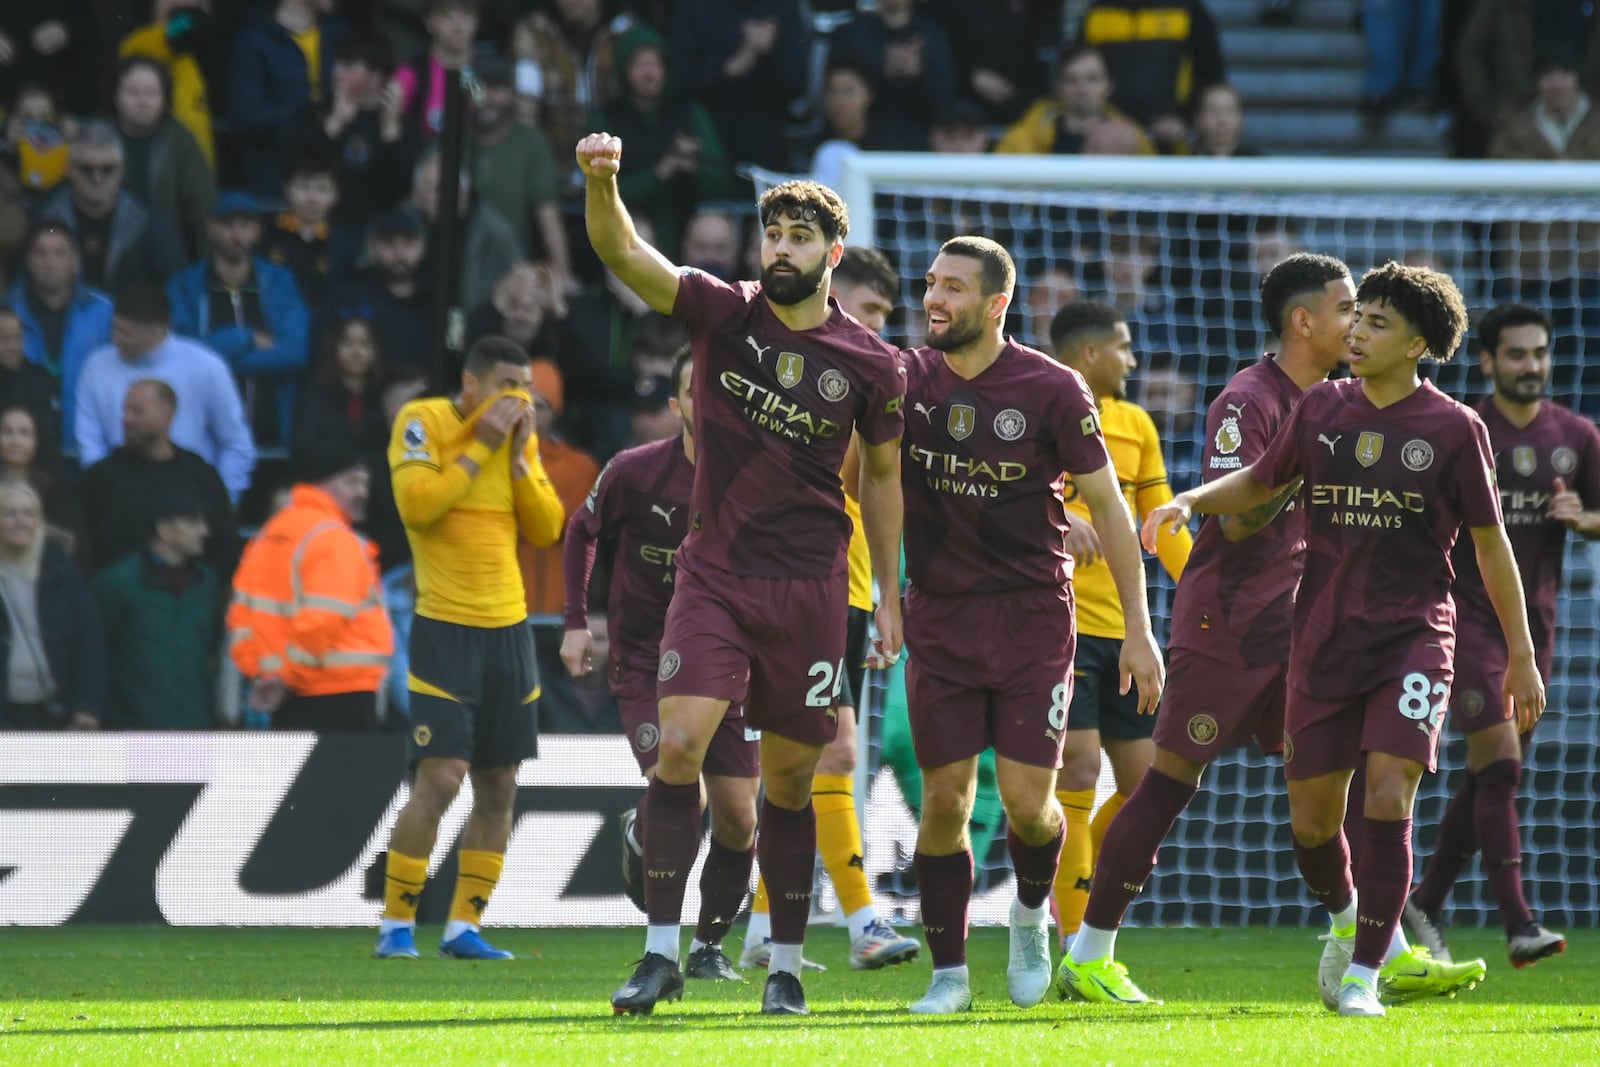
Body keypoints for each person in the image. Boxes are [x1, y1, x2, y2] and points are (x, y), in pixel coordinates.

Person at [1141, 261, 1544, 1018]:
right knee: (1314, 823)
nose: (1358, 331)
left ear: (1419, 343)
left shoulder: (1456, 429)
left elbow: (1491, 546)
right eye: (1356, 318)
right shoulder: (1322, 407)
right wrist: (1191, 497)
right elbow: (1261, 480)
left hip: (1413, 638)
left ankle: (1365, 973)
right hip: (1320, 639)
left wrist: (1520, 652)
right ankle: (1350, 932)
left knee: (1389, 793)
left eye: (1378, 323)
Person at [579, 134, 906, 1017]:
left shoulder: (873, 363)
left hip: (811, 588)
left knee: (791, 785)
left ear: (832, 254)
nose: (783, 249)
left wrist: (889, 597)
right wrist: (602, 181)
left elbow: (881, 480)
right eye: (774, 235)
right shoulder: (723, 313)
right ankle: (658, 953)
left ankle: (788, 967)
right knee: (679, 746)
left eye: (801, 237)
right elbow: (622, 252)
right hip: (714, 574)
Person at [1052, 253, 1354, 1003]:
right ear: (1303, 319)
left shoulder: (1347, 401)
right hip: (1231, 619)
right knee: (1166, 782)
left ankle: (1366, 936)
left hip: (1301, 623)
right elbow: (1241, 511)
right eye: (1346, 308)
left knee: (1333, 792)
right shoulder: (1246, 400)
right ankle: (1087, 949)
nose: (1358, 322)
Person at [898, 236, 1164, 1015]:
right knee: (944, 800)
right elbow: (865, 476)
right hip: (940, 615)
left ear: (995, 304)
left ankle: (1026, 917)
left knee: (1028, 803)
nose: (934, 298)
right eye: (930, 284)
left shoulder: (1054, 389)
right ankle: (948, 974)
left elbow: (1113, 510)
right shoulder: (908, 379)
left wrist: (1142, 630)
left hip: (1033, 620)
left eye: (953, 287)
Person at [741, 246, 921, 974]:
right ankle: (861, 921)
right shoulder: (819, 377)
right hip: (797, 586)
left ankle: (760, 926)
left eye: (886, 312)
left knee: (799, 762)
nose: (881, 324)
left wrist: (881, 596)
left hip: (843, 589)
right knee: (833, 753)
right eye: (869, 309)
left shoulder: (868, 378)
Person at [1404, 304, 1597, 967]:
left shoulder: (1576, 435)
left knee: (1490, 774)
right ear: (1487, 361)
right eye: (1516, 354)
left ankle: (1425, 898)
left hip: (1531, 627)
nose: (1531, 365)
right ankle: (1520, 924)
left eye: (1539, 352)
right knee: (1502, 763)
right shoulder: (1462, 428)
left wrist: (1588, 519)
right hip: (1463, 620)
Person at [561, 347, 760, 981]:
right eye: (694, 389)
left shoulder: (756, 478)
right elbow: (580, 532)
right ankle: (661, 942)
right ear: (678, 405)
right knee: (684, 782)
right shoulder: (636, 471)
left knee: (740, 817)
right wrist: (573, 622)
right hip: (648, 662)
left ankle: (708, 948)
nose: (708, 399)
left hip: (730, 664)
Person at [373, 335, 565, 961]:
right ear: (472, 384)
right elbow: (418, 507)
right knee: (442, 777)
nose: (518, 399)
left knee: (500, 784)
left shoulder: (518, 440)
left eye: (524, 388)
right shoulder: (423, 421)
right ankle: (396, 925)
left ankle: (464, 927)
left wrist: (514, 464)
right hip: (444, 627)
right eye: (507, 385)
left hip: (508, 629)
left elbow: (546, 528)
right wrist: (483, 450)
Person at [1045, 300, 1191, 950]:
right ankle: (1077, 932)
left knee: (1142, 783)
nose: (1133, 360)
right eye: (1125, 348)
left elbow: (1160, 524)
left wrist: (1205, 596)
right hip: (1057, 625)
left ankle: (1065, 870)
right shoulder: (1040, 409)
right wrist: (1055, 519)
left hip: (1124, 630)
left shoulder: (1135, 424)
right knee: (1076, 767)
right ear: (1089, 354)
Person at [229, 442, 392, 733]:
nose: (363, 492)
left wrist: (261, 673)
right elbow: (323, 620)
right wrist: (287, 677)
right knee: (348, 780)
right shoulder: (333, 538)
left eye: (365, 482)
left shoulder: (267, 535)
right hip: (339, 696)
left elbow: (240, 617)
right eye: (352, 481)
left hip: (284, 697)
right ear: (319, 483)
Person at [74, 283, 256, 504]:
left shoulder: (207, 367)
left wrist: (221, 501)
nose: (115, 338)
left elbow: (236, 444)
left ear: (157, 331)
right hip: (119, 502)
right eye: (115, 328)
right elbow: (90, 443)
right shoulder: (96, 366)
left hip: (191, 502)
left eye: (125, 332)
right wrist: (108, 495)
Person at [79, 378, 237, 578]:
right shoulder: (101, 477)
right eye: (125, 411)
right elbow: (86, 546)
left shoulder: (199, 475)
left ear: (167, 416)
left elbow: (223, 544)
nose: (127, 420)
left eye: (138, 411)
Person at [92, 488, 220, 730]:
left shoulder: (206, 583)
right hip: (135, 726)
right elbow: (95, 652)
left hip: (197, 724)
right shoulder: (116, 583)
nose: (205, 531)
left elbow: (211, 649)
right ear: (163, 529)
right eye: (193, 522)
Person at [0, 482, 103, 731]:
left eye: (28, 513)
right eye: (9, 513)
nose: (20, 521)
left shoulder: (62, 571)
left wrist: (87, 707)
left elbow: (90, 641)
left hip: (54, 711)